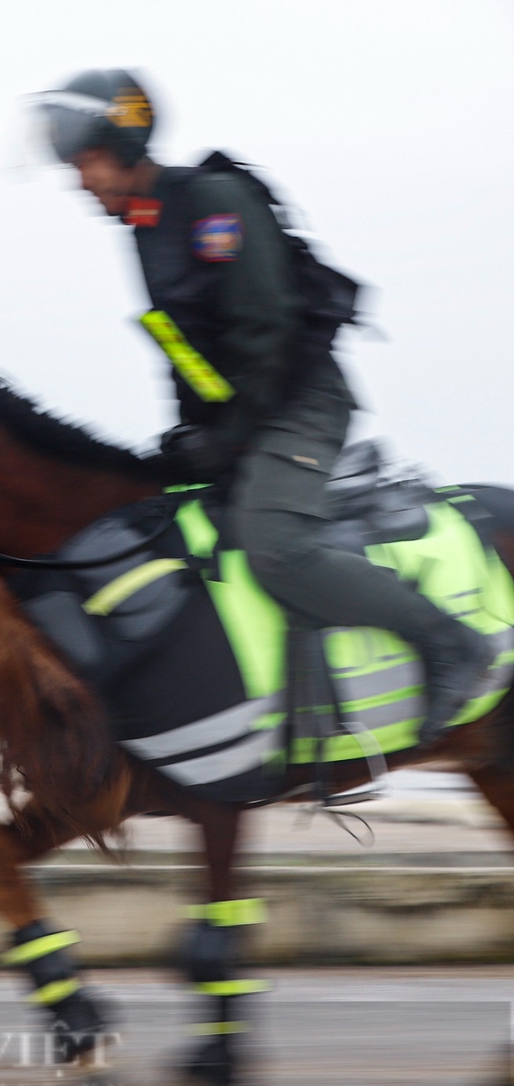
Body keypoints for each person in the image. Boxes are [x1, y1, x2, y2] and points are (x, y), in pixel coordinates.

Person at [35, 69, 494, 739]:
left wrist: (233, 437)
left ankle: (452, 642)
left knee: (275, 545)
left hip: (299, 404)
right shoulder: (145, 229)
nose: (81, 183)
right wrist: (186, 436)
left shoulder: (211, 200)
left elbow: (266, 330)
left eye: (88, 163)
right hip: (241, 417)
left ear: (125, 147)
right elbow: (182, 347)